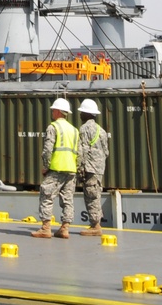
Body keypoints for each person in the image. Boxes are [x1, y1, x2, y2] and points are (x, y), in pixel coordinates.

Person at [32, 97, 79, 239]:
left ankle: (46, 228)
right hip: (71, 169)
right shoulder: (74, 130)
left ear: (58, 111)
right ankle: (65, 228)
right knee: (68, 199)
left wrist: (46, 167)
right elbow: (79, 153)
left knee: (46, 195)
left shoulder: (53, 127)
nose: (52, 112)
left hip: (57, 168)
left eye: (53, 110)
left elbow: (47, 150)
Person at [76, 97, 109, 235]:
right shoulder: (101, 130)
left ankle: (95, 226)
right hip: (99, 168)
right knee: (96, 194)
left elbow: (81, 150)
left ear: (87, 114)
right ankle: (95, 224)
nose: (80, 114)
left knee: (91, 195)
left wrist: (79, 167)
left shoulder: (84, 129)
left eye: (82, 112)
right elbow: (106, 151)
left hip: (89, 168)